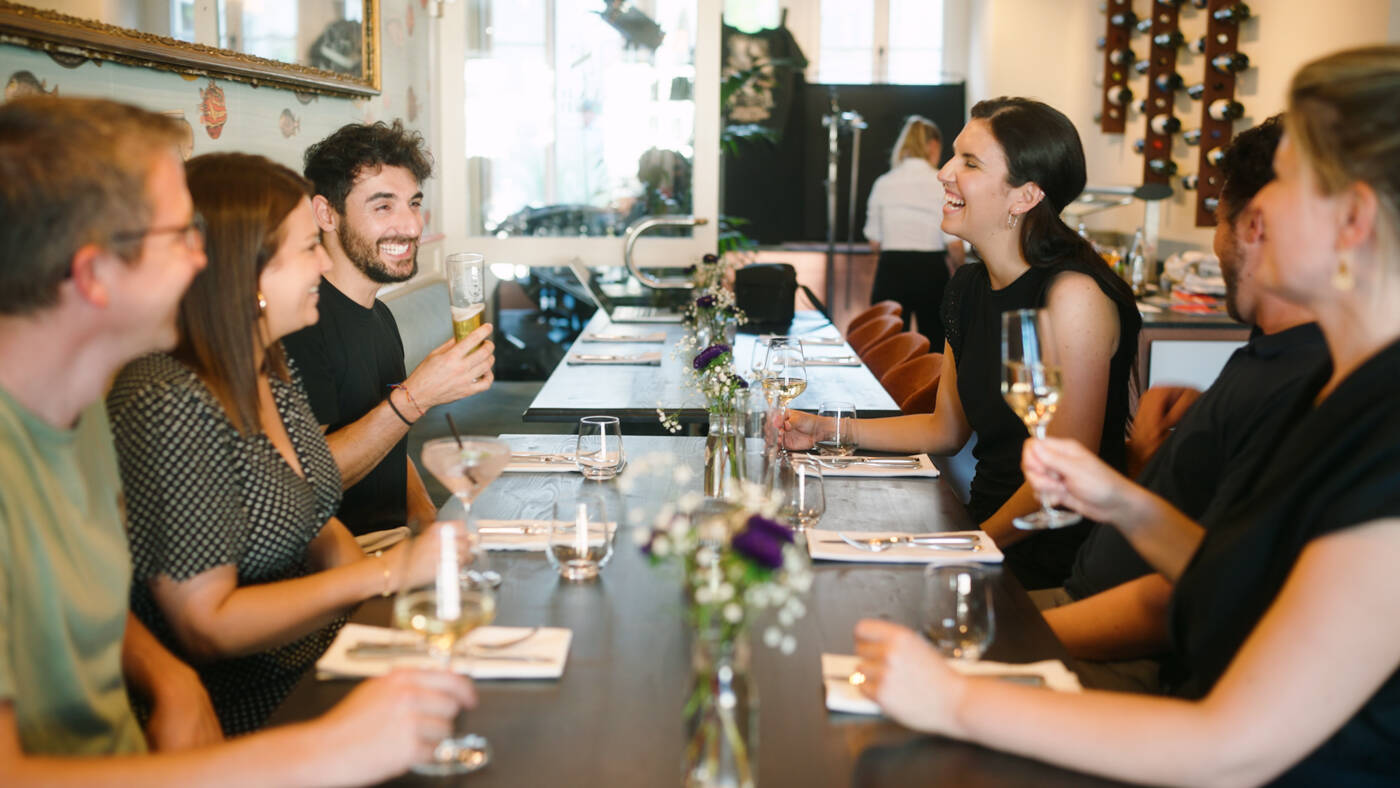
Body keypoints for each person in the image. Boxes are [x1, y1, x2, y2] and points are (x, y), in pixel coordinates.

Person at [853, 46, 1400, 785]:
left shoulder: (1384, 429)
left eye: (1289, 180)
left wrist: (954, 697)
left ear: (1355, 220)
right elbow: (1242, 577)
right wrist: (1123, 502)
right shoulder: (1339, 388)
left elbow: (1237, 743)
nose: (1252, 207)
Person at [0, 95, 472, 785]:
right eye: (178, 236)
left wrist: (164, 675)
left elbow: (75, 598)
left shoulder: (78, 417)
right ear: (93, 274)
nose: (206, 259)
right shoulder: (152, 399)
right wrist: (325, 746)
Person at [107, 152, 450, 735]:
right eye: (307, 249)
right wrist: (381, 578)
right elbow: (205, 627)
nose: (323, 264)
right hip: (251, 699)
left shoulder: (267, 365)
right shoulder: (167, 399)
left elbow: (317, 517)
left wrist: (392, 616)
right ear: (247, 271)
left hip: (324, 654)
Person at [787, 97, 1142, 589]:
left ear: (1025, 196)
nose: (944, 172)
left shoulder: (1072, 295)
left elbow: (1064, 477)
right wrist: (825, 428)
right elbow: (944, 429)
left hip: (1053, 565)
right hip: (983, 534)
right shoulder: (967, 289)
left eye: (970, 162)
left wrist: (967, 544)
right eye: (952, 155)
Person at [1035, 117, 1330, 694]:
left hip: (1115, 651)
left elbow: (1191, 592)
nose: (1216, 247)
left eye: (1218, 221)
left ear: (1254, 226)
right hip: (1085, 601)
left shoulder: (1306, 380)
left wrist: (1020, 632)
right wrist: (1147, 462)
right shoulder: (1266, 355)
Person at [281, 121, 495, 537]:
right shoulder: (301, 324)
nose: (412, 227)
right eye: (384, 207)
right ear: (326, 213)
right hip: (341, 569)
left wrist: (429, 521)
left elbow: (388, 442)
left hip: (397, 546)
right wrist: (417, 397)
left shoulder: (379, 316)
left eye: (413, 204)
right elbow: (303, 486)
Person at [864, 115, 966, 346]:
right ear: (932, 145)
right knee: (937, 346)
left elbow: (874, 242)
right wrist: (962, 271)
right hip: (931, 272)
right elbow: (954, 244)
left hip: (891, 269)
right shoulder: (942, 183)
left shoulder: (883, 182)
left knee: (885, 346)